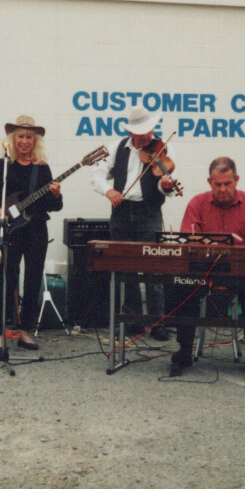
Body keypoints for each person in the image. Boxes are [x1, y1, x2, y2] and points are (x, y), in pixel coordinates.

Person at [166, 157, 245, 377]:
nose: (223, 189)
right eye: (217, 184)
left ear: (236, 180)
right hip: (204, 271)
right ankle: (185, 349)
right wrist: (208, 245)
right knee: (180, 287)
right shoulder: (197, 203)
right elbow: (188, 237)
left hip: (241, 272)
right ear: (209, 182)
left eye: (227, 183)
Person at [0, 115, 63, 353]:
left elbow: (54, 207)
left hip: (36, 230)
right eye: (20, 136)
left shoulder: (42, 168)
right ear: (13, 139)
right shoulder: (3, 166)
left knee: (33, 280)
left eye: (29, 137)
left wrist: (56, 195)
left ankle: (25, 332)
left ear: (35, 141)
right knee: (7, 280)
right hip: (10, 231)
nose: (24, 141)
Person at [90, 107, 178, 341]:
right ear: (131, 132)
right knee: (125, 267)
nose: (145, 138)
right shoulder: (117, 147)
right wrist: (108, 191)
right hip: (121, 211)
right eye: (140, 134)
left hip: (149, 212)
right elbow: (97, 173)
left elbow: (165, 186)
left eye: (148, 132)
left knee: (154, 268)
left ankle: (157, 323)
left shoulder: (163, 148)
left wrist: (166, 187)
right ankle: (132, 321)